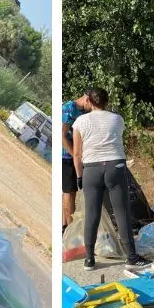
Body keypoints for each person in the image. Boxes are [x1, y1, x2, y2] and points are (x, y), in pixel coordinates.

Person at [71, 87, 149, 269]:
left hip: (91, 169)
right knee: (121, 212)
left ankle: (89, 259)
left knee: (92, 214)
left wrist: (79, 176)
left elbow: (76, 154)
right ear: (107, 101)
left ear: (89, 101)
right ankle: (131, 256)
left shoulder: (80, 122)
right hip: (116, 167)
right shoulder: (117, 119)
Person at [60, 94, 90, 232]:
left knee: (71, 193)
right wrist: (75, 156)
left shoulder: (84, 111)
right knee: (69, 192)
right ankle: (70, 229)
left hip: (75, 155)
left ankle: (65, 225)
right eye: (91, 105)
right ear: (87, 99)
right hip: (66, 156)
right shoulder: (69, 108)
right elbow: (62, 135)